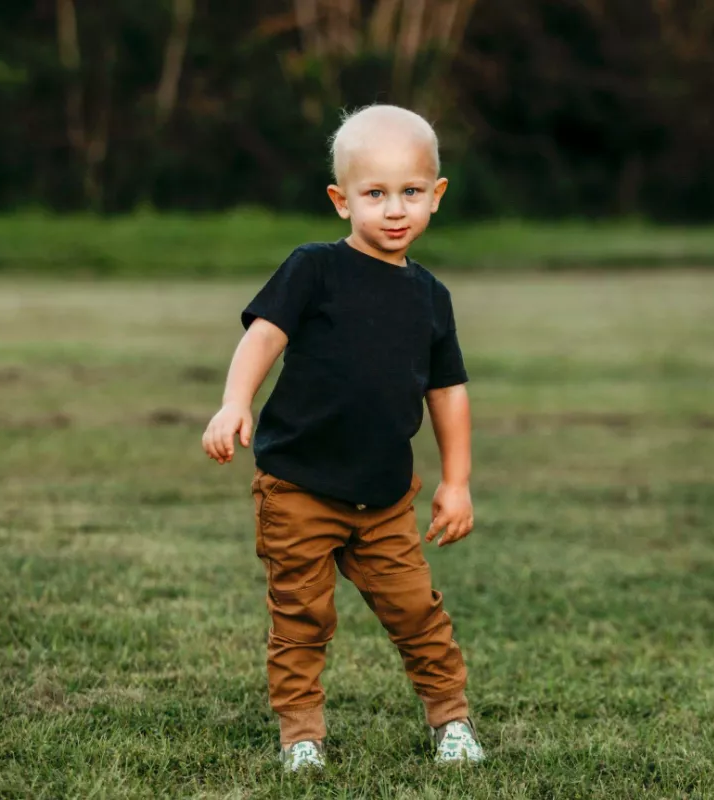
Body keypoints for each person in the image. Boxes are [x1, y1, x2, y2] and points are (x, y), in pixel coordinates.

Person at [201, 104, 483, 771]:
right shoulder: (314, 269)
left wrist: (456, 481)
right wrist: (234, 403)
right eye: (374, 194)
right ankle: (301, 736)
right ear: (340, 200)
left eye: (411, 192)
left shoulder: (431, 297)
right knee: (302, 617)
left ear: (436, 197)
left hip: (384, 498)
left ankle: (452, 723)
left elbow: (448, 392)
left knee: (418, 613)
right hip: (299, 487)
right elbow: (263, 334)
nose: (394, 209)